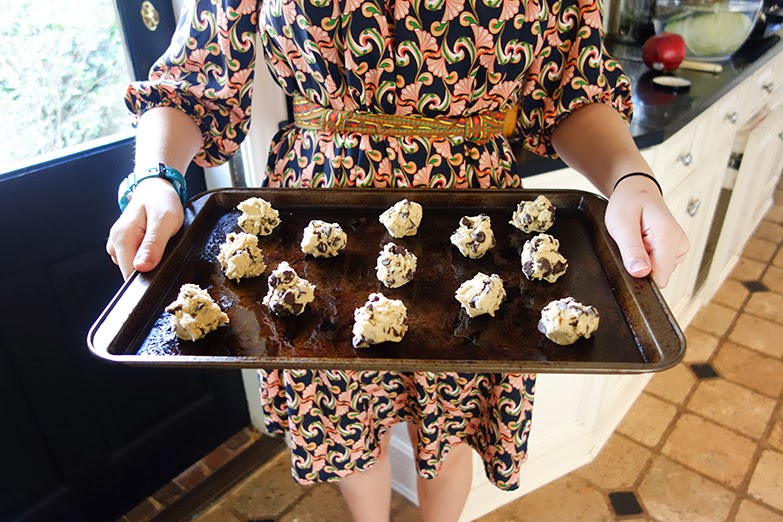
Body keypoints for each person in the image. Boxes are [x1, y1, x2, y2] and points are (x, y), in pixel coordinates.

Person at [107, 0, 689, 520]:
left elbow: (571, 90)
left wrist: (631, 179)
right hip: (320, 213)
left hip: (474, 221)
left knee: (451, 428)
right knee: (347, 430)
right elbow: (193, 82)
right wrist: (155, 178)